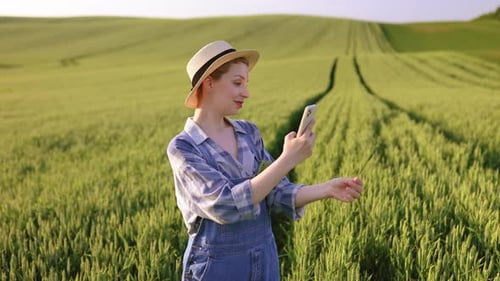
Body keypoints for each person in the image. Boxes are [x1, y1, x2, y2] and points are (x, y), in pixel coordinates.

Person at [167, 40, 364, 281]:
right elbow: (225, 205)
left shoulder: (249, 133)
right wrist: (287, 159)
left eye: (246, 83)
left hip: (264, 258)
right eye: (237, 83)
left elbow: (276, 192)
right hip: (217, 267)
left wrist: (327, 188)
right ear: (209, 83)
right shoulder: (184, 147)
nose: (246, 93)